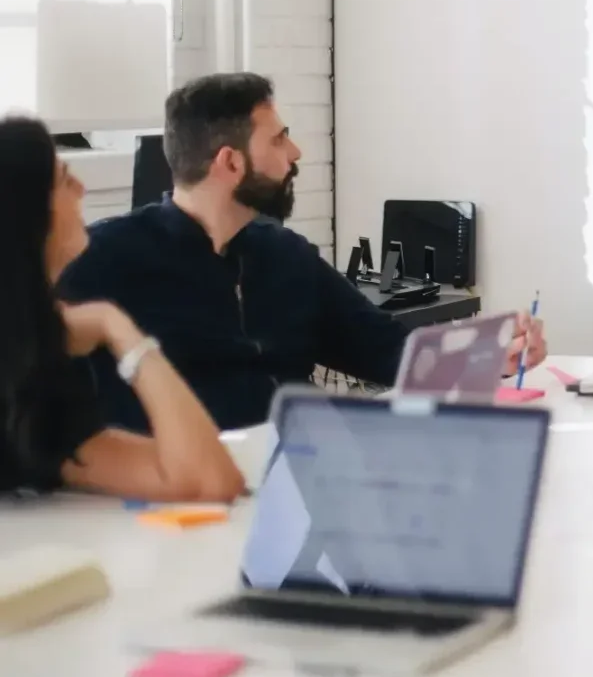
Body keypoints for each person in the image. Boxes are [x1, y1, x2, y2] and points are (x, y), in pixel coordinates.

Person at [59, 73, 547, 432]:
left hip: (304, 481)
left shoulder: (287, 257)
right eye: (278, 138)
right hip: (175, 506)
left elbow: (393, 354)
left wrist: (490, 353)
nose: (296, 153)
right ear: (230, 162)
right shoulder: (106, 259)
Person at [0, 116, 244, 500]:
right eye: (64, 180)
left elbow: (208, 478)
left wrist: (109, 323)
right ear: (30, 217)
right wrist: (120, 331)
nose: (81, 189)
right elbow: (208, 480)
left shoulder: (35, 361)